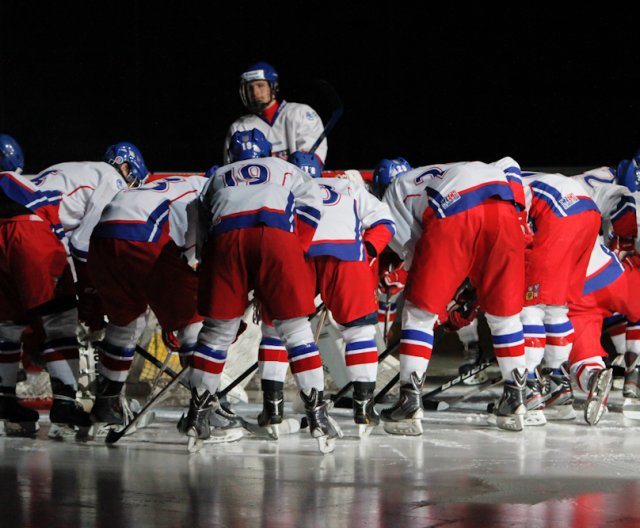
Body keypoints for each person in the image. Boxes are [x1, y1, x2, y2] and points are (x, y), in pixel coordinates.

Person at [182, 129, 341, 453]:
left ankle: (197, 414)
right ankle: (318, 415)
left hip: (227, 238)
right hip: (276, 236)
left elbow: (201, 221)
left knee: (216, 333)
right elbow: (312, 205)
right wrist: (294, 249)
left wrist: (208, 259)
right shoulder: (286, 168)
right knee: (296, 331)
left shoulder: (219, 175)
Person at [254, 150, 395, 437]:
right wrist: (365, 252)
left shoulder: (279, 190)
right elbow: (385, 223)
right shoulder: (348, 186)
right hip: (345, 254)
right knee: (359, 333)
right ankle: (364, 409)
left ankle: (273, 408)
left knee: (276, 330)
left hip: (295, 255)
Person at [381, 159, 528, 433]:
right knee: (505, 316)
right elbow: (511, 163)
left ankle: (409, 403)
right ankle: (515, 398)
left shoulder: (392, 194)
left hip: (455, 210)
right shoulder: (439, 171)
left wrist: (442, 307)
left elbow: (416, 256)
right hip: (505, 208)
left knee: (418, 313)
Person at [87, 146, 209, 427]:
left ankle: (107, 405)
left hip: (102, 236)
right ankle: (207, 408)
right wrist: (177, 312)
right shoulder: (209, 191)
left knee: (125, 322)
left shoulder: (163, 187)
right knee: (194, 319)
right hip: (142, 234)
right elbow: (196, 249)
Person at [0, 134, 92, 437]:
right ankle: (65, 402)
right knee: (59, 320)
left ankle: (4, 401)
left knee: (7, 325)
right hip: (28, 232)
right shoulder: (30, 183)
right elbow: (57, 227)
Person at [518, 171, 603, 425]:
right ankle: (558, 384)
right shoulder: (522, 177)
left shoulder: (499, 185)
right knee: (557, 304)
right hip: (589, 213)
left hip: (559, 215)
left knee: (529, 303)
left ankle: (529, 386)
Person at [27, 144, 132, 332]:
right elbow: (82, 244)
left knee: (16, 325)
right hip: (34, 234)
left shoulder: (69, 168)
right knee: (60, 324)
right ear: (125, 168)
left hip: (13, 228)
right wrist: (88, 291)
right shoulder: (114, 180)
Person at [223, 62, 327, 165]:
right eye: (250, 88)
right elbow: (232, 171)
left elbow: (313, 163)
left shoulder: (301, 113)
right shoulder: (239, 127)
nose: (255, 93)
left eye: (260, 86)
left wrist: (309, 162)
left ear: (273, 87)